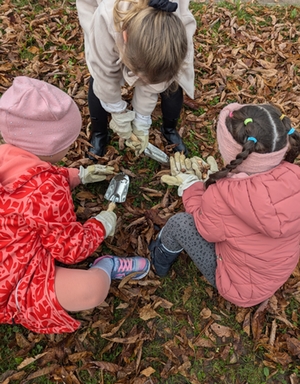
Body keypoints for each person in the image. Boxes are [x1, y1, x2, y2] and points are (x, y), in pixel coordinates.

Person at [0, 76, 150, 334]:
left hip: (11, 243)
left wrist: (76, 175)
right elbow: (71, 249)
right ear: (49, 147)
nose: (70, 147)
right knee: (91, 291)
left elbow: (27, 180)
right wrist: (101, 225)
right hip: (15, 274)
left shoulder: (7, 154)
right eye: (66, 144)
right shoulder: (47, 190)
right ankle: (107, 266)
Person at [149, 102, 300, 308]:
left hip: (240, 288)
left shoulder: (223, 195)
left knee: (179, 224)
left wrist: (191, 188)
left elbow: (203, 225)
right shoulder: (295, 177)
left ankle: (159, 259)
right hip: (272, 274)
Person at [76, 0, 196, 159]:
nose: (143, 82)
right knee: (100, 79)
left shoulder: (174, 22)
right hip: (105, 18)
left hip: (146, 31)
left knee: (170, 81)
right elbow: (103, 72)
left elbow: (158, 77)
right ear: (125, 37)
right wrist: (116, 110)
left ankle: (169, 129)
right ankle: (99, 132)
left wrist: (142, 119)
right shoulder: (106, 18)